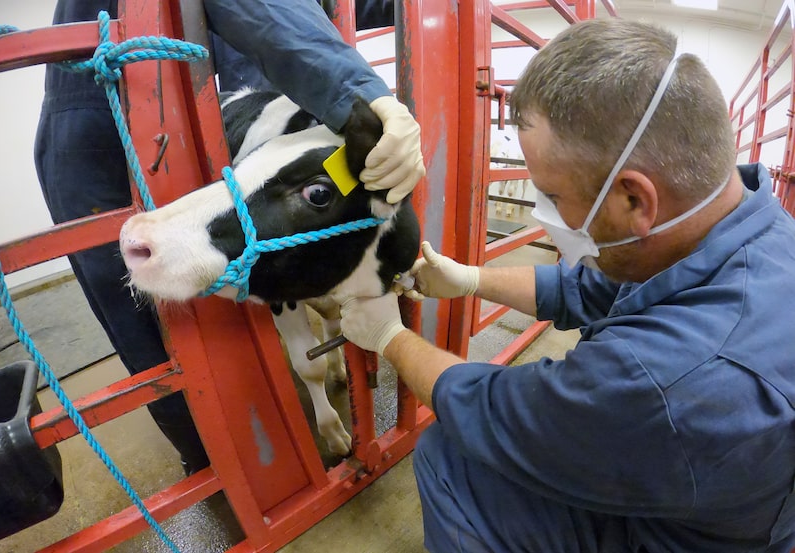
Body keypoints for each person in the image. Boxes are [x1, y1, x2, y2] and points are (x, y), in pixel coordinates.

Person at [340, 18, 795, 553]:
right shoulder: (751, 229)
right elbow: (594, 290)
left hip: (683, 536)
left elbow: (489, 409)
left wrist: (390, 336)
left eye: (552, 195)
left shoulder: (666, 379)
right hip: (731, 500)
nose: (544, 213)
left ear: (634, 200)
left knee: (453, 454)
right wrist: (470, 280)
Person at [34, 0, 422, 474]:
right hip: (102, 101)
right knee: (157, 330)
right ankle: (215, 463)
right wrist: (359, 88)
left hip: (221, 86)